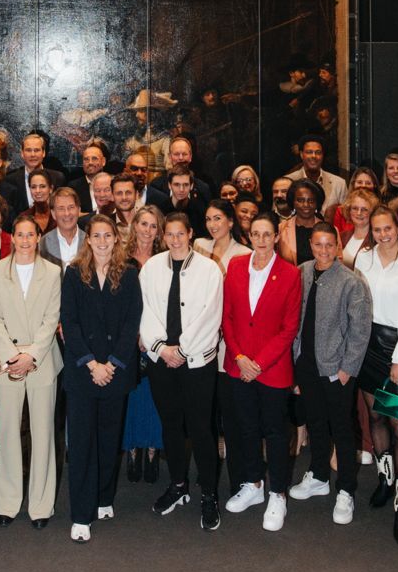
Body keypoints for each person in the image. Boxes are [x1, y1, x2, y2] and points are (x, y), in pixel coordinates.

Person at [139, 210, 226, 529]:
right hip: (163, 361)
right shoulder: (150, 268)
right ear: (163, 237)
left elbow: (210, 314)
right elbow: (145, 310)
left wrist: (184, 349)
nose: (175, 239)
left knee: (201, 428)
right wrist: (162, 348)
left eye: (180, 233)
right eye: (169, 234)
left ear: (190, 234)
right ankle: (178, 485)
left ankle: (209, 494)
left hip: (196, 362)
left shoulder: (209, 270)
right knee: (170, 425)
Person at [60, 214, 143, 541]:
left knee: (110, 438)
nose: (103, 241)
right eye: (97, 235)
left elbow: (132, 322)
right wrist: (92, 364)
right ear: (89, 240)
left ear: (116, 239)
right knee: (81, 444)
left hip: (116, 370)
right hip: (83, 372)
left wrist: (112, 363)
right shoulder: (73, 274)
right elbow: (70, 322)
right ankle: (81, 515)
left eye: (109, 235)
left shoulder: (130, 274)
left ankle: (104, 497)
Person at [287, 222, 370, 525]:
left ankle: (346, 489)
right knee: (316, 423)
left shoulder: (351, 282)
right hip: (306, 364)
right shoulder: (302, 271)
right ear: (311, 244)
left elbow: (360, 331)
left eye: (329, 245)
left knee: (342, 429)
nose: (323, 251)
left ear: (337, 247)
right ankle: (319, 475)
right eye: (318, 245)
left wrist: (348, 368)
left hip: (337, 369)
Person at [222, 214, 301, 532]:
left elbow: (289, 327)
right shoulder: (236, 266)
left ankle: (278, 493)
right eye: (256, 234)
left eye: (267, 234)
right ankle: (253, 484)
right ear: (249, 235)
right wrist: (240, 357)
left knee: (276, 433)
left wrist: (259, 363)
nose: (262, 239)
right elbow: (227, 317)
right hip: (238, 365)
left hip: (272, 369)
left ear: (276, 237)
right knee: (246, 428)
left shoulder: (290, 274)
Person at [0, 214, 64, 529]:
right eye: (19, 234)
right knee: (6, 433)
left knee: (43, 433)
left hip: (42, 362)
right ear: (12, 237)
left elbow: (51, 319)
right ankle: (6, 502)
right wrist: (12, 357)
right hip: (6, 363)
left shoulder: (53, 271)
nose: (25, 240)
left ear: (38, 237)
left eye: (30, 235)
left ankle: (41, 506)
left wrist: (31, 355)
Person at [354, 204, 398, 526]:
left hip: (394, 348)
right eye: (377, 229)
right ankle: (385, 478)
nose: (383, 234)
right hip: (367, 344)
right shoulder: (363, 258)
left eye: (388, 228)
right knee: (376, 416)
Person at [121, 205, 165, 483]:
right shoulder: (121, 259)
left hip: (156, 337)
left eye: (153, 226)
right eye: (144, 224)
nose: (148, 230)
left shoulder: (164, 260)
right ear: (134, 225)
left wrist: (149, 336)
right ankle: (131, 450)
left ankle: (152, 449)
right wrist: (133, 334)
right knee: (131, 395)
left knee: (154, 396)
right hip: (127, 336)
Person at [1, 130, 66, 213]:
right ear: (22, 153)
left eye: (36, 150)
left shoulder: (58, 178)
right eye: (28, 150)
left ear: (43, 153)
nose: (33, 154)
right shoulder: (9, 181)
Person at [277, 134, 347, 212]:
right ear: (301, 154)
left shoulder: (339, 184)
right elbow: (279, 214)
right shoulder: (288, 181)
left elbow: (344, 218)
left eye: (318, 152)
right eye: (309, 152)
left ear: (323, 155)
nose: (313, 156)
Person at [39, 186, 90, 266]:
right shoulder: (43, 243)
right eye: (61, 208)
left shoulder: (90, 241)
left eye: (71, 207)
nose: (67, 213)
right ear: (53, 214)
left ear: (79, 210)